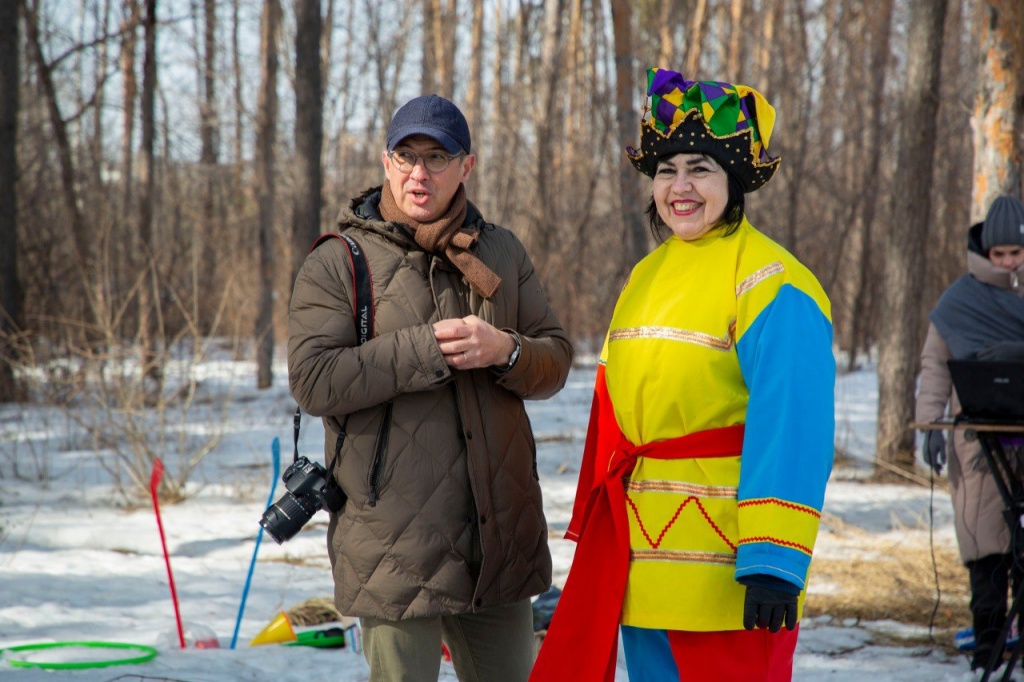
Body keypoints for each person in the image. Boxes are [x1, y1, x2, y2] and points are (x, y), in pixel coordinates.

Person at [529, 69, 835, 682]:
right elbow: (612, 417)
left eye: (701, 168)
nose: (680, 187)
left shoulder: (775, 282)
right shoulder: (645, 277)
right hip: (642, 565)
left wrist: (774, 559)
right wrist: (597, 539)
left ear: (735, 180)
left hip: (730, 577)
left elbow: (794, 423)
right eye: (667, 170)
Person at [287, 93, 574, 682]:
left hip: (499, 534)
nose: (420, 172)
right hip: (394, 540)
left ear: (465, 166)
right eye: (406, 155)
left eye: (437, 157)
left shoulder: (500, 250)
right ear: (386, 161)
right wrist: (424, 349)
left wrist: (508, 350)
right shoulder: (339, 260)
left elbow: (557, 358)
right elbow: (313, 381)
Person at [915, 194, 1024, 673]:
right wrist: (930, 423)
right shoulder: (961, 299)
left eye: (1014, 254)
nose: (1005, 262)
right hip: (976, 438)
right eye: (998, 255)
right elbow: (935, 364)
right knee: (985, 541)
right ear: (985, 252)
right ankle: (987, 642)